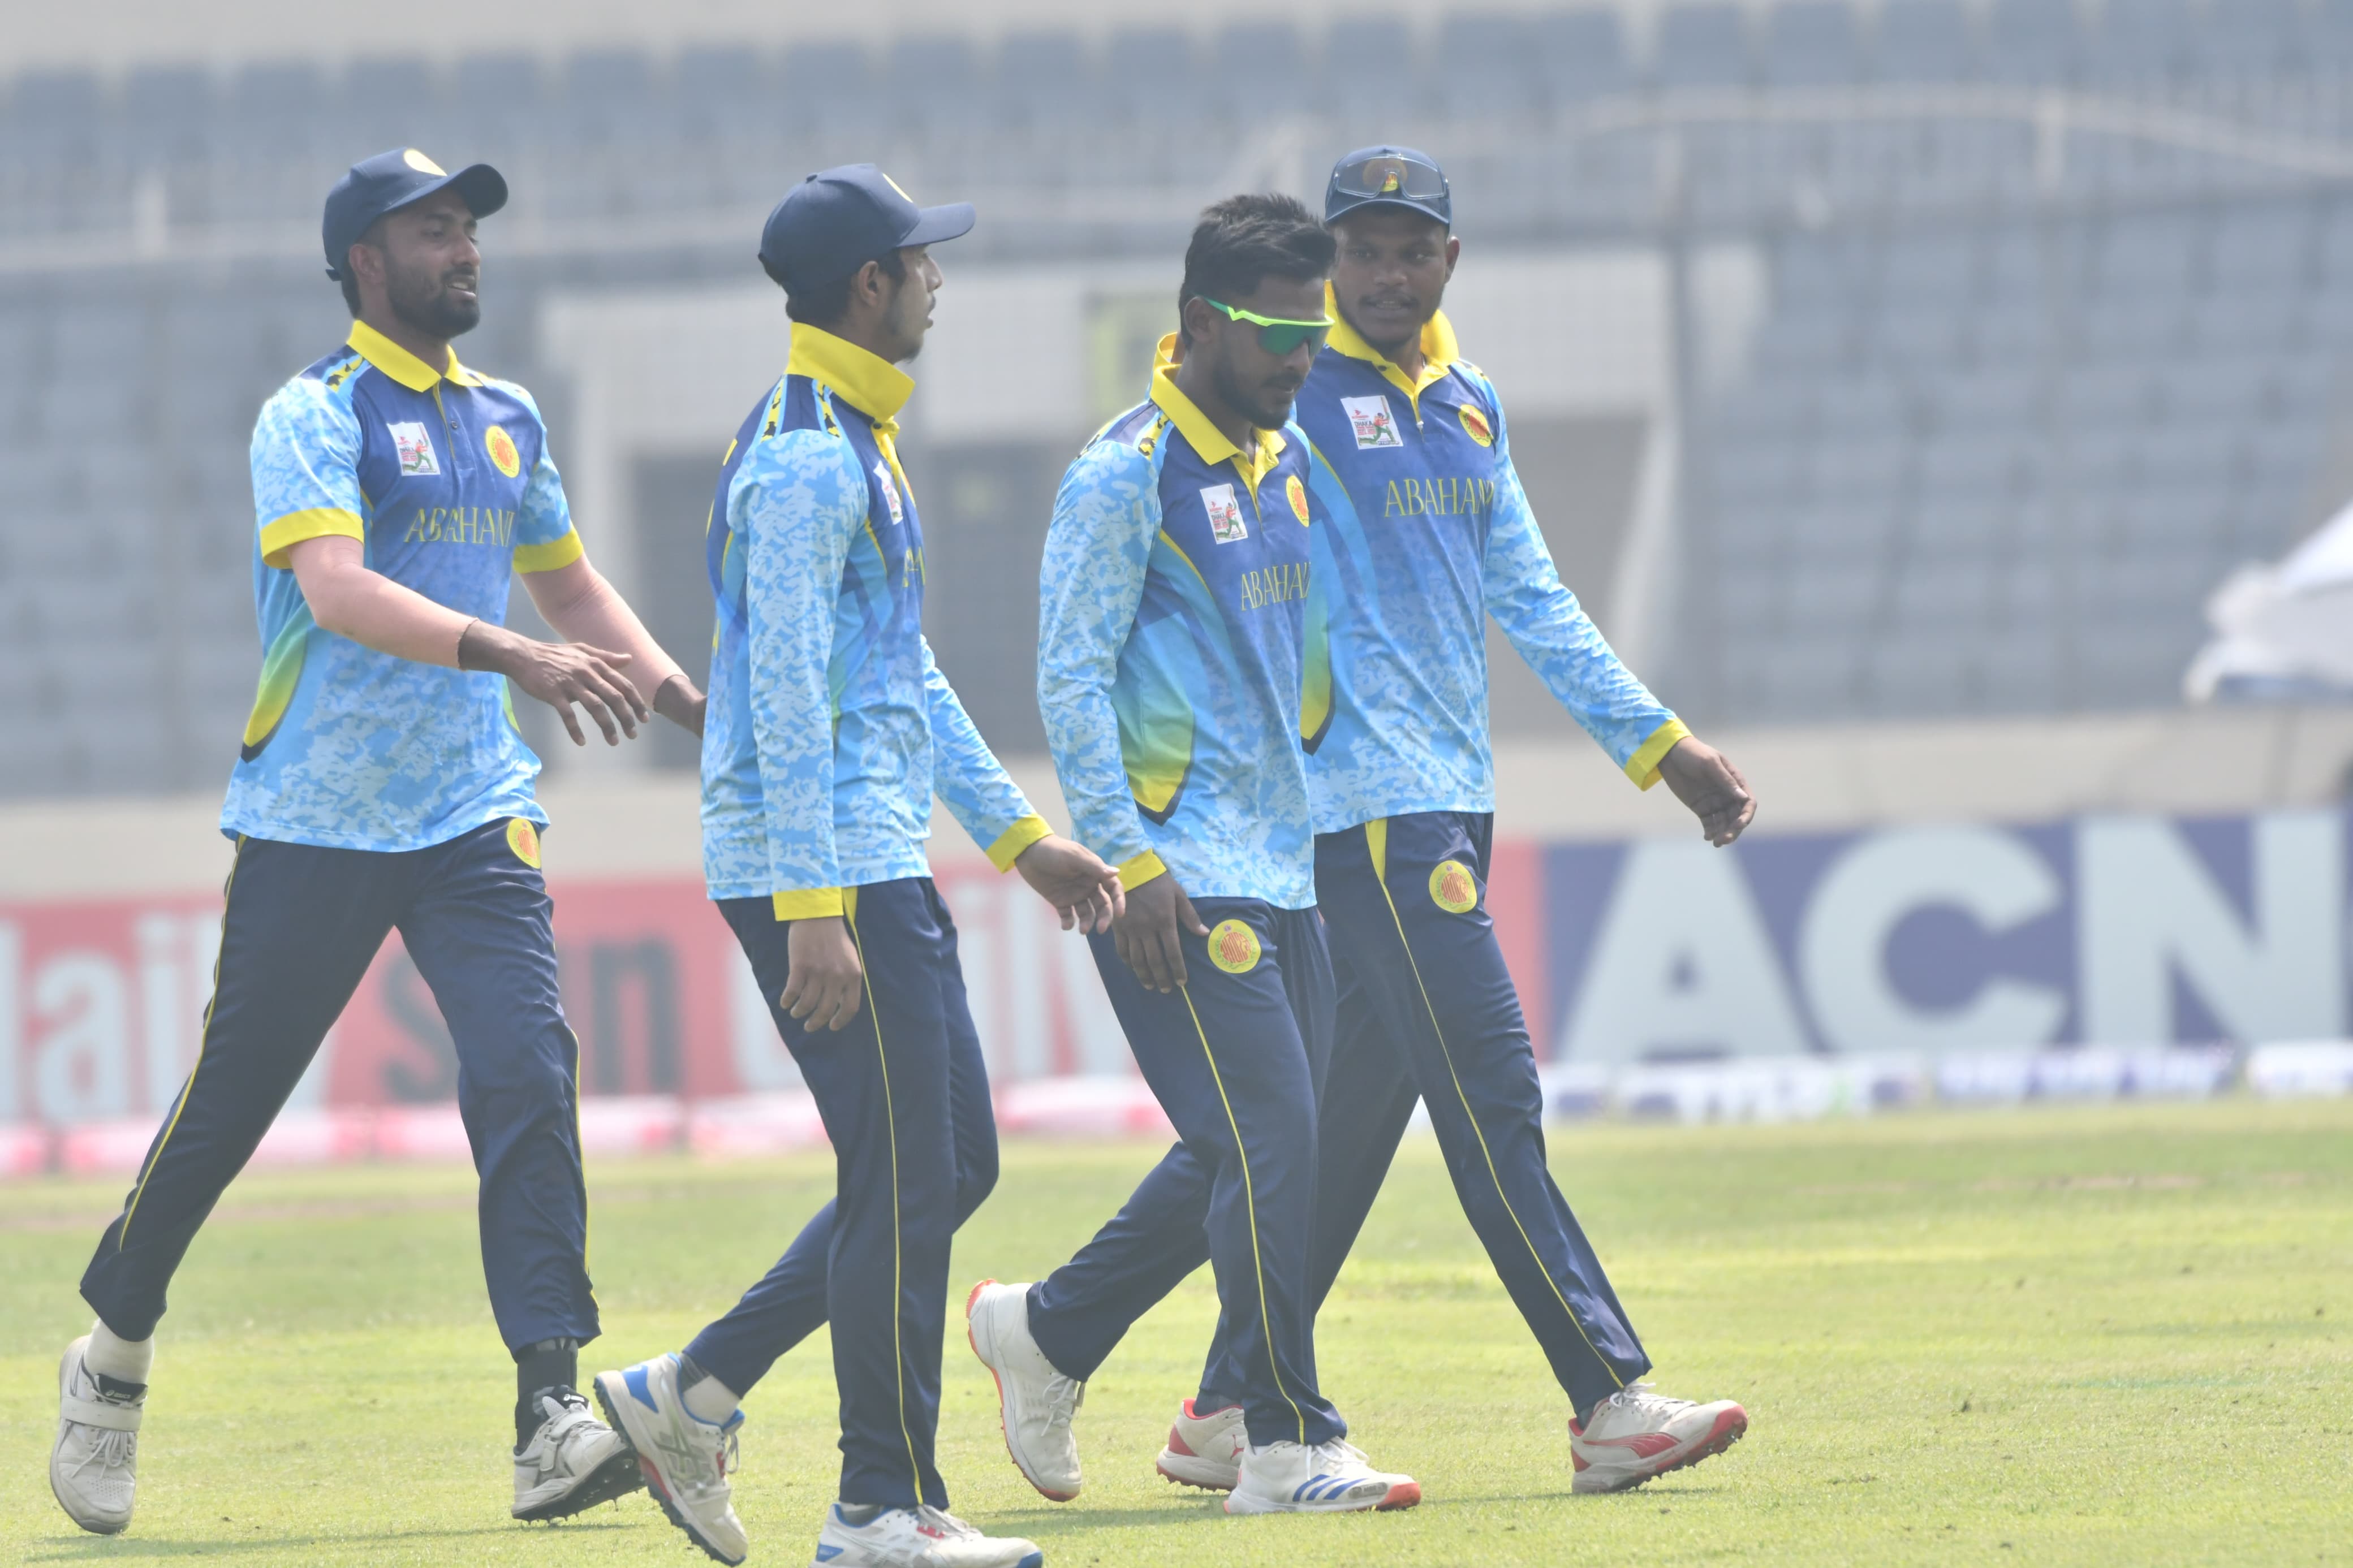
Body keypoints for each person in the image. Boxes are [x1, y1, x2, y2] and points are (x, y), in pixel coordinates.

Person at [969, 150, 1759, 1503]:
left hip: (1447, 798)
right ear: (1325, 267)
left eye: (1415, 249)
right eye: (1365, 250)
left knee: (1304, 1135)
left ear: (1450, 260)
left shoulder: (1466, 406)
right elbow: (1184, 604)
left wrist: (1657, 745)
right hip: (1353, 818)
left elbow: (1532, 594)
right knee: (1489, 1091)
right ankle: (1605, 1394)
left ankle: (1116, 1355)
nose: (1388, 274)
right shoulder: (1287, 402)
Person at [51, 148, 708, 1538]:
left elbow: (573, 582)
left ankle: (547, 1409)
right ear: (367, 261)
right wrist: (514, 655)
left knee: (528, 1069)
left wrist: (682, 701)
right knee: (231, 1107)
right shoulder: (312, 413)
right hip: (317, 816)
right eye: (435, 230)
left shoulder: (508, 415)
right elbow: (339, 590)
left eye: (469, 226)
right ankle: (112, 1350)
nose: (466, 247)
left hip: (473, 809)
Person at [589, 166, 1121, 1568]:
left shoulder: (851, 442)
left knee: (947, 1163)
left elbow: (894, 675)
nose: (938, 280)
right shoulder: (808, 462)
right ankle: (878, 1504)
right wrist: (816, 910)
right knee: (907, 1172)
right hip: (819, 875)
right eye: (918, 262)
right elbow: (776, 708)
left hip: (867, 859)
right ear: (867, 288)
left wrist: (1020, 837)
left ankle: (688, 1392)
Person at [964, 193, 1420, 1518]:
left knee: (1255, 1137)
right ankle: (1280, 1442)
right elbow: (1068, 675)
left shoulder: (1279, 465)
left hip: (1284, 866)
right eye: (1279, 332)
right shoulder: (1124, 474)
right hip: (1177, 873)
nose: (1302, 357)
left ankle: (1046, 1330)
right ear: (1200, 323)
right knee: (1275, 1135)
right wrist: (1129, 860)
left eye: (1314, 327)